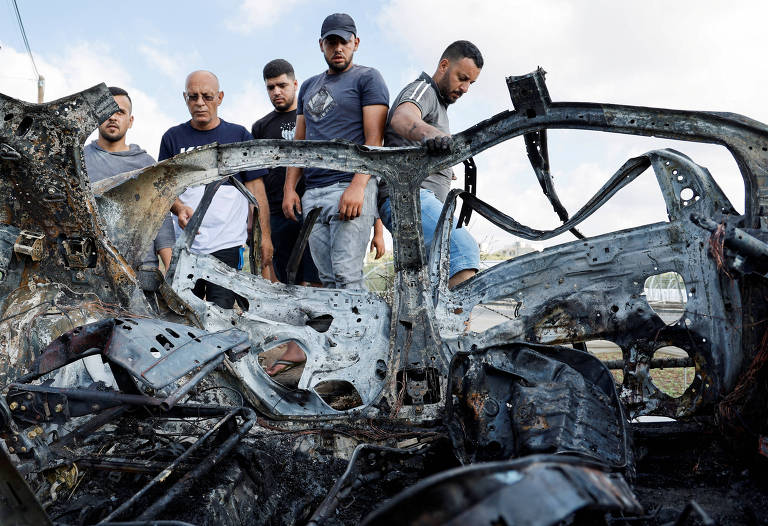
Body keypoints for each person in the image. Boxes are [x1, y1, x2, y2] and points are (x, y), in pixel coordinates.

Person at [269, 13, 388, 376]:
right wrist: (291, 187)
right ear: (321, 45)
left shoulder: (368, 78)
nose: (338, 48)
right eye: (331, 42)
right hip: (315, 191)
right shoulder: (308, 86)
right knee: (325, 279)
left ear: (355, 42)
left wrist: (358, 184)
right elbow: (300, 144)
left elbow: (374, 138)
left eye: (344, 41)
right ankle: (338, 352)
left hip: (350, 187)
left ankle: (363, 356)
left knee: (347, 274)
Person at [159, 70, 273, 309]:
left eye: (207, 96)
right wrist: (179, 208)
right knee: (183, 312)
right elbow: (164, 190)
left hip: (227, 245)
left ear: (220, 97)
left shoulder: (239, 135)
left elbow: (256, 191)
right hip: (186, 247)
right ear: (185, 98)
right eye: (193, 96)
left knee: (221, 314)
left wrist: (265, 238)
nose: (200, 103)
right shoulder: (172, 138)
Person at [378, 40, 483, 288]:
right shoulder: (423, 89)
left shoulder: (440, 108)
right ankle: (455, 328)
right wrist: (432, 135)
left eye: (471, 83)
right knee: (462, 253)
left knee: (426, 287)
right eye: (462, 78)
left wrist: (444, 166)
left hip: (420, 200)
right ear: (444, 65)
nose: (466, 88)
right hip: (409, 198)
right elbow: (402, 117)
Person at [83, 86, 175, 301]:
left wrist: (172, 276)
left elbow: (161, 222)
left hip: (142, 277)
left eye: (120, 112)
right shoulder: (79, 161)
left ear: (130, 120)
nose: (112, 117)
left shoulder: (146, 164)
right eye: (107, 111)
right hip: (92, 275)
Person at [252, 59, 321, 286]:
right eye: (271, 87)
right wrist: (254, 219)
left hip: (310, 208)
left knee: (315, 280)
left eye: (282, 85)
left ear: (295, 84)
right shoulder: (260, 127)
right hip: (275, 212)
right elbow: (256, 178)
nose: (277, 92)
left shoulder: (311, 119)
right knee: (282, 282)